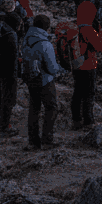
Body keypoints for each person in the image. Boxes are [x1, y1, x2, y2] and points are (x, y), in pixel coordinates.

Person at [20, 15, 64, 148]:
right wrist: (61, 69)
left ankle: (33, 141)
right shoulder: (45, 44)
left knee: (34, 108)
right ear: (47, 26)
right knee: (51, 108)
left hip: (31, 79)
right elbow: (52, 68)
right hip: (45, 80)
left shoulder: (26, 40)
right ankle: (47, 140)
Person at [0, 0, 25, 136]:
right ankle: (4, 127)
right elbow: (13, 57)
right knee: (8, 97)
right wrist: (17, 73)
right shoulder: (10, 34)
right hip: (8, 69)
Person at [71, 0, 102, 129]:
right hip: (89, 64)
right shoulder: (88, 29)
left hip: (76, 64)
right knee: (89, 93)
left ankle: (76, 120)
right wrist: (100, 30)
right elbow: (100, 47)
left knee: (77, 92)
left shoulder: (74, 27)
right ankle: (88, 121)